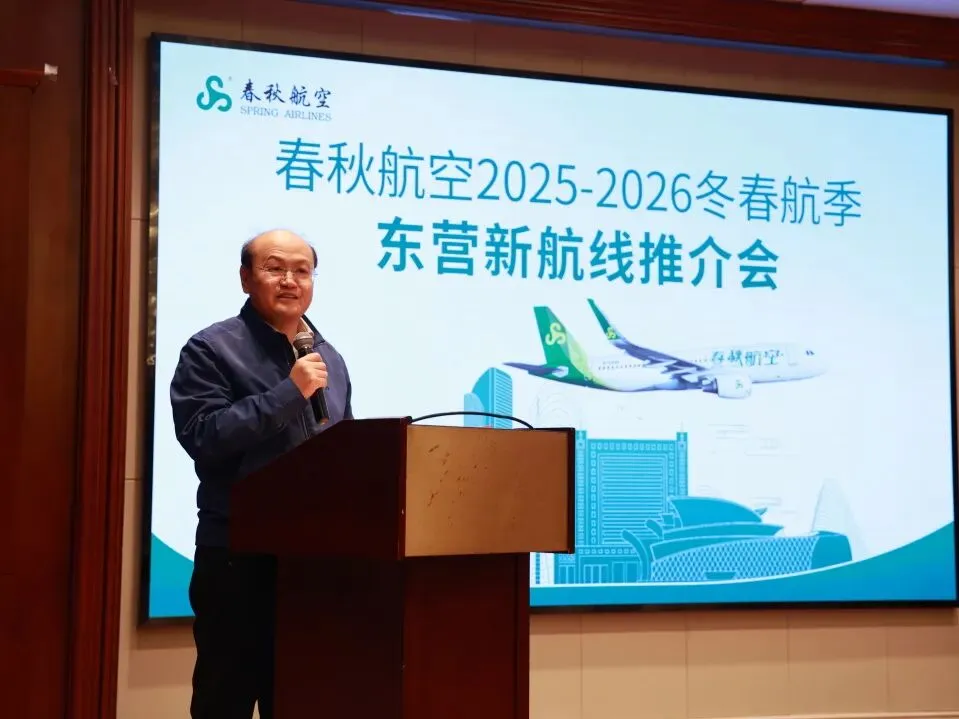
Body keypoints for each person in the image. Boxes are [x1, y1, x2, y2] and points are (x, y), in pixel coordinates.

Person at [169, 228, 354, 719]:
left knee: (301, 700)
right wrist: (288, 393)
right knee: (224, 701)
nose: (290, 280)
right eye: (275, 268)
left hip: (312, 562)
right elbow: (203, 436)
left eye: (302, 271)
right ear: (246, 278)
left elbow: (346, 452)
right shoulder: (211, 349)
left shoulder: (328, 357)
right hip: (237, 558)